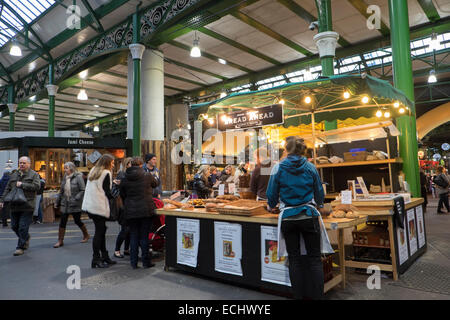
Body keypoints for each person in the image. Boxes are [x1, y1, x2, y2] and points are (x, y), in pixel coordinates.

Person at [266, 136, 328, 300]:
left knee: (294, 260)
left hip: (288, 218)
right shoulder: (310, 167)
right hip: (309, 216)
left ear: (286, 149)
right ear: (302, 151)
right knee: (315, 259)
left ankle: (299, 297)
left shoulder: (278, 168)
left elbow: (271, 196)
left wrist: (272, 204)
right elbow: (319, 194)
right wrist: (320, 204)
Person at [119, 156, 159, 269]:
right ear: (141, 164)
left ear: (131, 164)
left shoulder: (125, 177)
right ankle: (146, 262)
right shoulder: (147, 175)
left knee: (133, 236)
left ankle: (133, 262)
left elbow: (122, 193)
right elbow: (155, 184)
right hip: (145, 210)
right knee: (144, 236)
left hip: (131, 211)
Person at [0, 157, 41, 256]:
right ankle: (26, 237)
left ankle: (20, 247)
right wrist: (2, 200)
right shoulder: (14, 175)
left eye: (24, 163)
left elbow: (37, 187)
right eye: (20, 163)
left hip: (27, 204)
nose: (21, 164)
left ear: (29, 164)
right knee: (14, 226)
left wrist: (23, 184)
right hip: (14, 205)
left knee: (23, 227)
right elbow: (7, 188)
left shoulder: (34, 174)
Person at [82, 154, 117, 268]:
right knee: (99, 233)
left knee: (101, 231)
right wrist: (116, 195)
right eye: (112, 163)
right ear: (107, 163)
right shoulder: (106, 173)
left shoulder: (93, 171)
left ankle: (104, 257)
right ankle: (96, 258)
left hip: (90, 206)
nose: (113, 165)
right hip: (99, 206)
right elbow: (107, 192)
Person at [53, 162, 90, 248]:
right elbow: (61, 191)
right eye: (64, 168)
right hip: (65, 203)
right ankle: (60, 240)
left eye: (66, 168)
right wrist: (57, 202)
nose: (64, 170)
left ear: (71, 168)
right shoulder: (65, 177)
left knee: (77, 221)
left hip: (75, 203)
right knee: (62, 221)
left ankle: (86, 234)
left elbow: (82, 190)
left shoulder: (78, 177)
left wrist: (76, 198)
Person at [113, 157, 132, 258]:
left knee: (129, 229)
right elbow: (116, 190)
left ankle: (126, 249)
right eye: (131, 164)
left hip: (128, 205)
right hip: (123, 206)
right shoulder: (122, 174)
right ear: (127, 164)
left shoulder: (128, 174)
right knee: (125, 229)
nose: (132, 166)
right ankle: (117, 250)